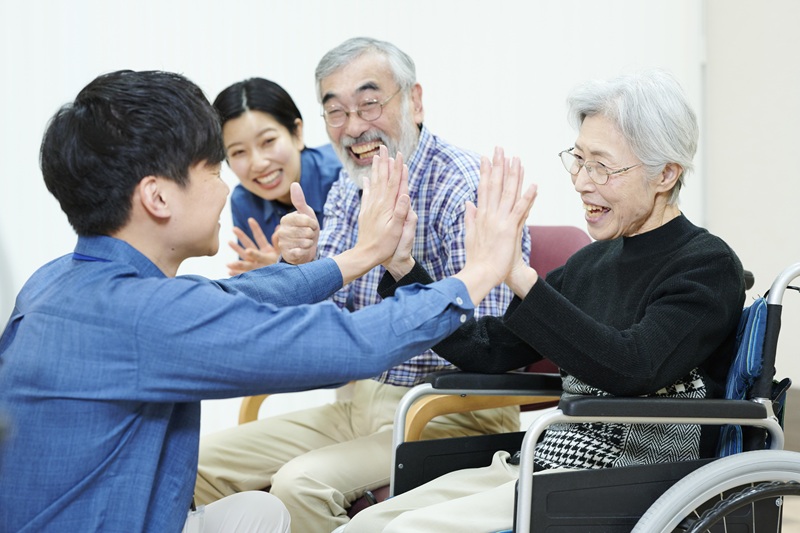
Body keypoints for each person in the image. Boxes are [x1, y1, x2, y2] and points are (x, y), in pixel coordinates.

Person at [0, 69, 536, 533]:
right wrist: (477, 274)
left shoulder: (59, 280)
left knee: (259, 513)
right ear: (157, 196)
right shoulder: (146, 315)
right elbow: (348, 344)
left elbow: (234, 295)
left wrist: (362, 255)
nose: (227, 187)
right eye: (214, 169)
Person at [343, 69, 747, 532]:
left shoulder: (706, 265)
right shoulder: (590, 263)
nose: (581, 182)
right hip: (544, 461)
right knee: (367, 524)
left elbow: (634, 367)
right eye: (579, 160)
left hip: (623, 478)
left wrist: (517, 273)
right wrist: (403, 268)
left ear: (666, 174)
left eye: (601, 166)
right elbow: (488, 350)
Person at [195, 37, 531, 533]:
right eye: (336, 111)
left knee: (300, 485)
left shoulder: (462, 186)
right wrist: (302, 265)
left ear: (414, 101)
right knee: (198, 463)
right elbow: (330, 319)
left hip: (448, 408)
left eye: (369, 103)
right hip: (359, 401)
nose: (353, 127)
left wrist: (402, 269)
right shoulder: (349, 187)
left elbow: (489, 342)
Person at [213, 78, 341, 275]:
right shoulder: (244, 201)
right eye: (238, 152)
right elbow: (257, 280)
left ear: (297, 133)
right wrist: (269, 277)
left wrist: (285, 274)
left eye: (268, 141)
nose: (258, 163)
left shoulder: (342, 176)